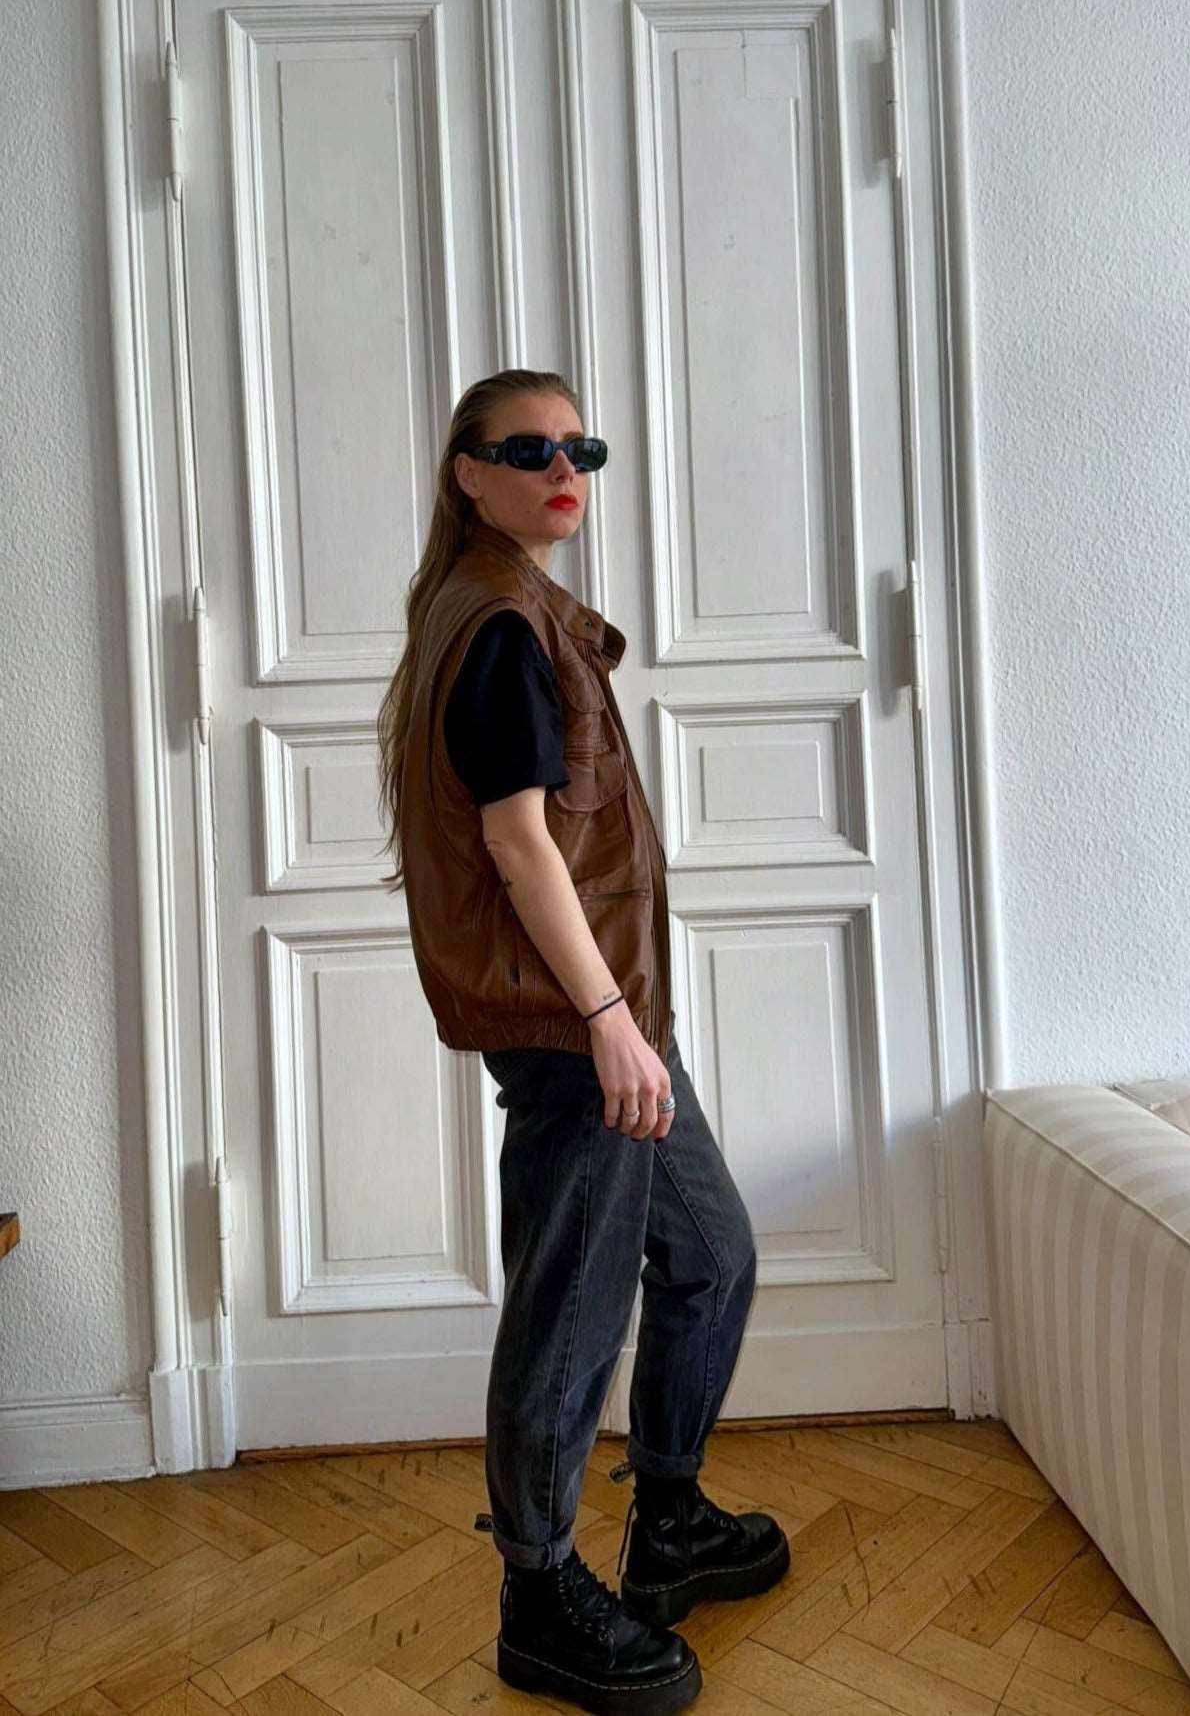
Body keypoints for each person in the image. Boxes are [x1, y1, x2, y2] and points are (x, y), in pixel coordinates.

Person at [377, 369, 789, 1715]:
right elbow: (517, 841)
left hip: (610, 1020)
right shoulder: (498, 623)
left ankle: (667, 1521)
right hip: (578, 1028)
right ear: (469, 473)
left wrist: (625, 1020)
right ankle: (541, 1594)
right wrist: (609, 1021)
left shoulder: (506, 608)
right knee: (572, 1309)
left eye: (581, 449)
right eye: (530, 450)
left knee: (712, 1252)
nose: (565, 470)